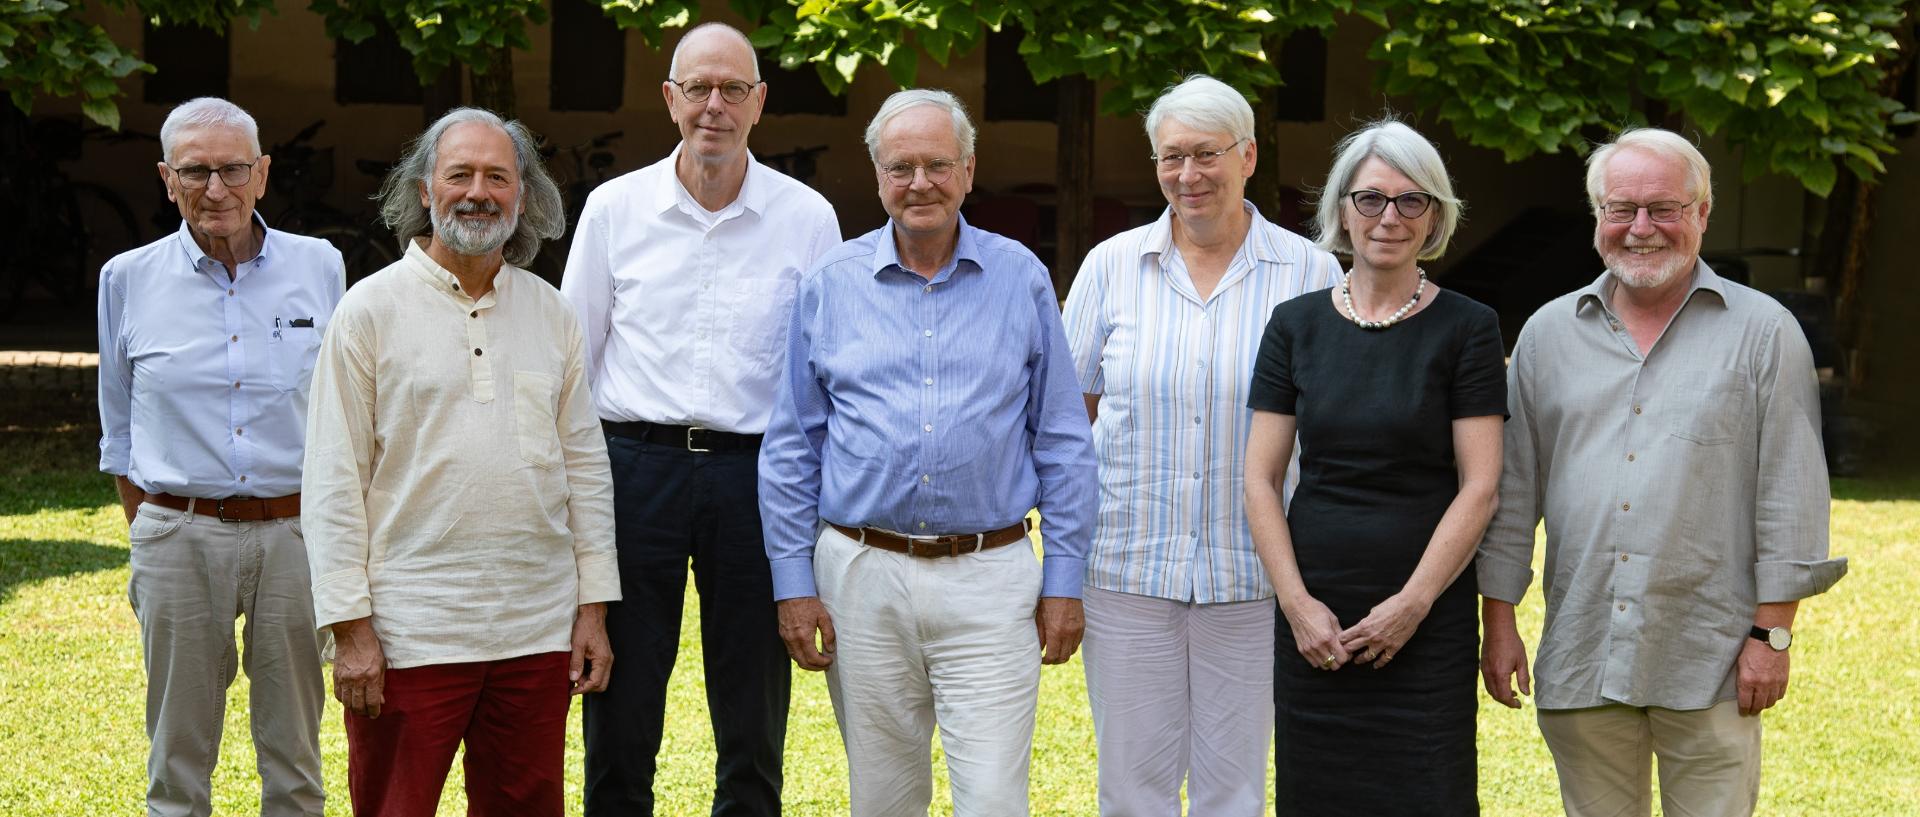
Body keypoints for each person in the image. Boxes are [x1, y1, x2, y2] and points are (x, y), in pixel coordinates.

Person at [1477, 127, 1848, 817]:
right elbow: (1512, 492)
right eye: (1622, 209)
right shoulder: (1545, 336)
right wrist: (1498, 622)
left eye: (1664, 208)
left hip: (1711, 662)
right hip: (1584, 652)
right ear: (1597, 218)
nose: (1640, 228)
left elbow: (1791, 496)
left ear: (1702, 213)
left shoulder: (1765, 333)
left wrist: (1772, 636)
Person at [757, 89, 1096, 817]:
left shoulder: (1022, 279)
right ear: (877, 175)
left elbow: (1064, 439)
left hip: (991, 575)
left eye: (937, 164)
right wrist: (793, 582)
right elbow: (792, 446)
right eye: (900, 166)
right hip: (860, 574)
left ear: (969, 170)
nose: (920, 183)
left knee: (995, 799)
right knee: (883, 798)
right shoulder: (830, 285)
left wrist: (1064, 577)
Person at [301, 107, 619, 817]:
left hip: (534, 631)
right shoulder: (368, 311)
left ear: (523, 196)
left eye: (498, 177)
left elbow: (586, 470)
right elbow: (331, 482)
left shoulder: (551, 313)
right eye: (460, 174)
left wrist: (591, 608)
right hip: (410, 632)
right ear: (424, 189)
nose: (478, 191)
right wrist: (351, 630)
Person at [559, 22, 841, 816]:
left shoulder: (808, 217)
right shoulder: (614, 209)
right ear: (669, 99)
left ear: (759, 102)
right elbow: (573, 357)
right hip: (634, 467)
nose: (713, 105)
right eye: (697, 88)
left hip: (757, 474)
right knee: (622, 694)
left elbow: (821, 373)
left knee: (752, 698)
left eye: (731, 89)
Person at [1060, 75, 1341, 816]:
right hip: (1127, 569)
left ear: (1248, 155)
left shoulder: (1312, 273)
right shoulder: (1111, 266)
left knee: (1235, 789)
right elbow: (1066, 422)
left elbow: (1334, 427)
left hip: (1253, 577)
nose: (1188, 176)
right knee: (1131, 789)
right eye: (1170, 157)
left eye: (1206, 154)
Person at [1243, 119, 1506, 814]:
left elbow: (1480, 486)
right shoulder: (1293, 325)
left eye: (1410, 201)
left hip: (1427, 613)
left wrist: (1412, 605)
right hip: (1316, 619)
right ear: (1339, 210)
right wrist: (1296, 605)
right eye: (1369, 199)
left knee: (1428, 792)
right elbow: (1259, 479)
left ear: (1435, 217)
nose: (1388, 217)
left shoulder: (1469, 327)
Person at [96, 96, 342, 817]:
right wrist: (153, 530)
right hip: (179, 533)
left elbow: (344, 405)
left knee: (294, 754)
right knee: (177, 756)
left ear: (262, 174)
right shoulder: (127, 278)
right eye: (196, 171)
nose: (216, 189)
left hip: (295, 535)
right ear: (166, 178)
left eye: (233, 169)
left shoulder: (320, 265)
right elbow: (118, 426)